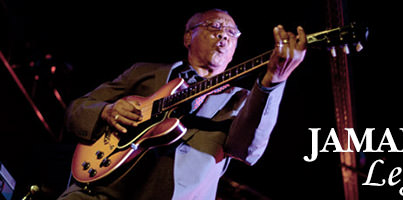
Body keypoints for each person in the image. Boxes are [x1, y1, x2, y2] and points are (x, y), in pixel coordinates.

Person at [58, 8, 306, 199]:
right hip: (97, 191)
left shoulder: (241, 100)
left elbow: (248, 150)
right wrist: (106, 111)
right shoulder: (144, 72)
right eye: (214, 26)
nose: (223, 34)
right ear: (189, 36)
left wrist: (273, 82)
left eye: (232, 32)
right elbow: (77, 109)